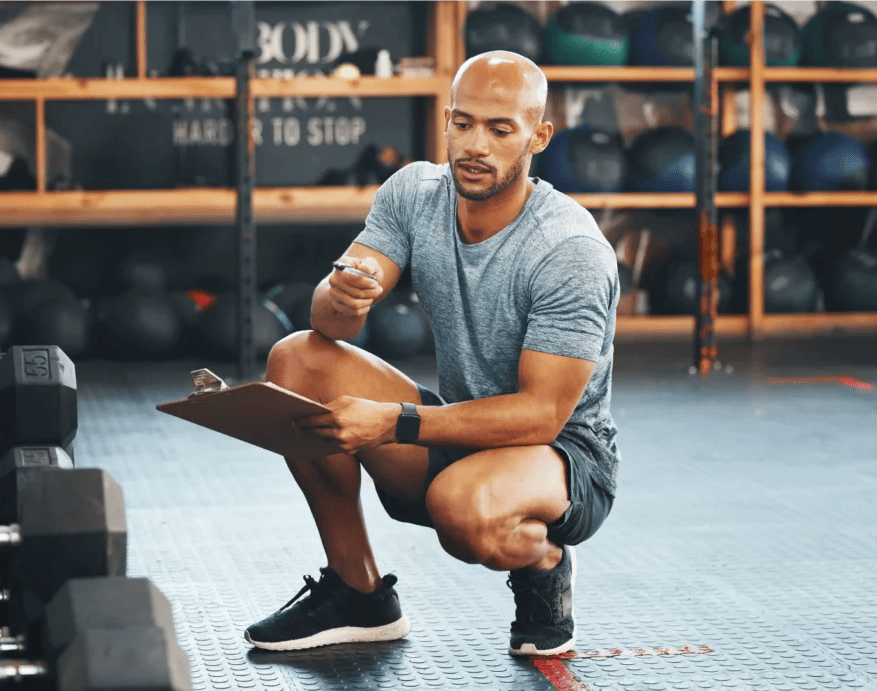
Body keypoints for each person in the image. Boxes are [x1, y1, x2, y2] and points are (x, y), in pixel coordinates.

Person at [244, 50, 621, 657]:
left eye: (500, 130)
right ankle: (358, 592)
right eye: (463, 123)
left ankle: (544, 560)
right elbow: (327, 323)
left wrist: (394, 422)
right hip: (462, 431)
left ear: (538, 136)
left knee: (461, 508)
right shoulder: (415, 194)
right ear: (445, 119)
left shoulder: (569, 249)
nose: (475, 144)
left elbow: (541, 415)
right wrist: (342, 294)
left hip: (563, 457)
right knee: (297, 361)